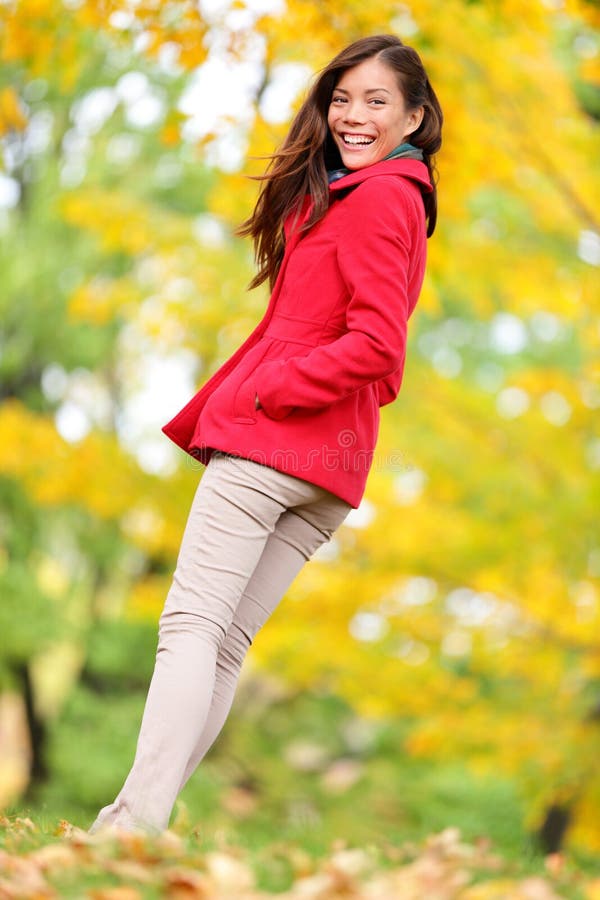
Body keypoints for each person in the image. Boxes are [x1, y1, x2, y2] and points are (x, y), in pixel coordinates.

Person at [89, 33, 443, 835]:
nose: (352, 115)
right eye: (341, 98)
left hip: (276, 445)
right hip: (327, 466)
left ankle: (135, 822)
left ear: (415, 116)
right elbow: (379, 359)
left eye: (376, 101)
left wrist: (277, 388)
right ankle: (140, 820)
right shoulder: (382, 197)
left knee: (190, 627)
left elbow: (380, 347)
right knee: (220, 643)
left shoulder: (384, 197)